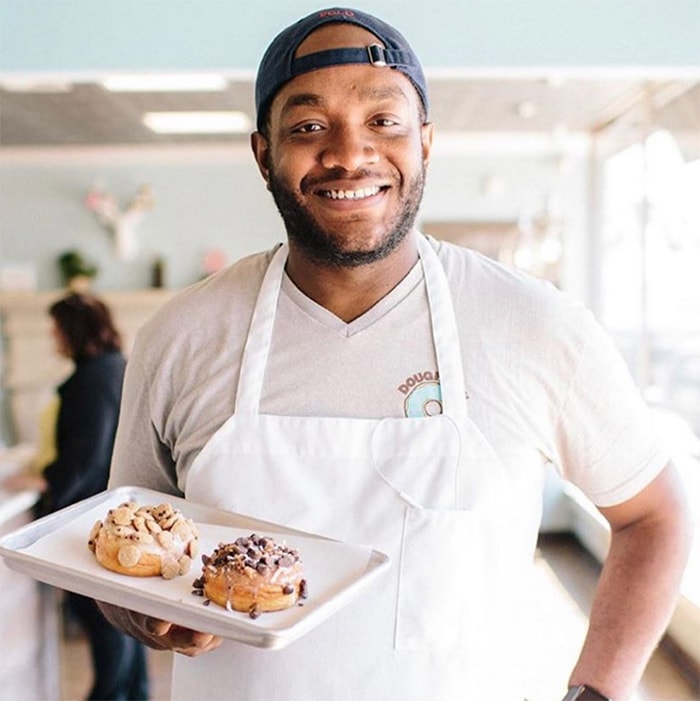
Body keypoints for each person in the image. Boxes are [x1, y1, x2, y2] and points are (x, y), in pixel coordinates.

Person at [98, 8, 692, 701]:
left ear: (427, 142)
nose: (350, 154)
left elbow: (656, 514)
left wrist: (596, 693)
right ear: (264, 153)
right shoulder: (181, 336)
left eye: (384, 121)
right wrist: (144, 613)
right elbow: (115, 556)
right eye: (309, 126)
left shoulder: (534, 325)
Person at [4, 293, 150, 701]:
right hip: (112, 510)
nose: (53, 336)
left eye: (57, 328)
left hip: (89, 518)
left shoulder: (92, 379)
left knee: (105, 622)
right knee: (123, 625)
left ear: (74, 330)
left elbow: (85, 453)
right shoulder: (114, 369)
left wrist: (49, 482)